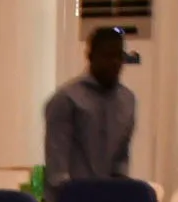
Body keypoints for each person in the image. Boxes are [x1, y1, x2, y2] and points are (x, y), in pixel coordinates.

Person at [44, 25, 137, 188]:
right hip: (71, 196)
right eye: (107, 56)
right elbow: (57, 165)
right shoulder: (66, 99)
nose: (114, 63)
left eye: (118, 56)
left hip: (109, 197)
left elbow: (121, 158)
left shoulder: (128, 100)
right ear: (90, 56)